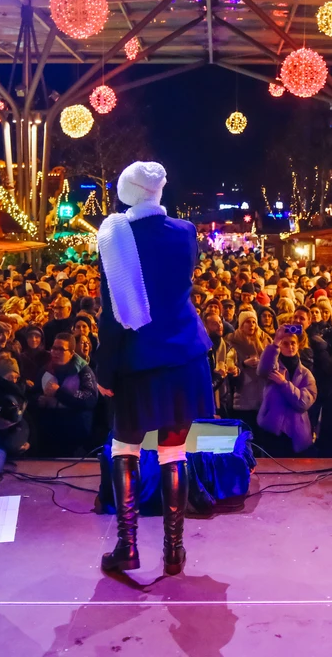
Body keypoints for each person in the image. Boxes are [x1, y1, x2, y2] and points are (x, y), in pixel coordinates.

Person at [94, 162, 214, 577]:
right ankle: (174, 551)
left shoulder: (113, 236)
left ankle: (127, 547)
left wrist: (104, 371)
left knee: (125, 448)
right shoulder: (185, 232)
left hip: (138, 358)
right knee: (173, 450)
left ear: (127, 192)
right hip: (184, 355)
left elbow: (111, 315)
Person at [256, 325, 317, 456]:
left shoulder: (306, 374)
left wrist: (284, 384)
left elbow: (303, 403)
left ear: (298, 345)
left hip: (296, 433)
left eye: (293, 343)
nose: (290, 347)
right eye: (285, 343)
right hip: (272, 430)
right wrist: (276, 342)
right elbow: (262, 369)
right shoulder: (274, 369)